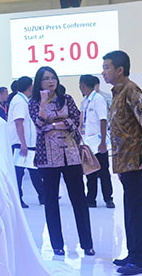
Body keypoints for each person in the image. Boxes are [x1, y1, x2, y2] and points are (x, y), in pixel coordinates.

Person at [102, 50, 142, 276]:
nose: (103, 72)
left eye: (106, 67)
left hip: (136, 161)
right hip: (125, 162)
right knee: (130, 210)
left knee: (137, 211)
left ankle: (140, 259)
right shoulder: (118, 93)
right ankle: (133, 253)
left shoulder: (131, 91)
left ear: (120, 70)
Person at [29, 66, 94, 257]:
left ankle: (87, 243)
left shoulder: (66, 99)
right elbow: (39, 125)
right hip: (47, 157)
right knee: (51, 200)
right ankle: (57, 244)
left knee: (79, 199)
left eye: (53, 78)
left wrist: (55, 124)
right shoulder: (34, 102)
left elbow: (75, 120)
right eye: (46, 78)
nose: (51, 81)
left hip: (71, 154)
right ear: (39, 82)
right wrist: (43, 103)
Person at [7, 76, 45, 208]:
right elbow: (19, 122)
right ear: (30, 87)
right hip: (20, 143)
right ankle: (18, 198)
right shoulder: (19, 102)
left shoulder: (23, 100)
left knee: (34, 170)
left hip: (27, 143)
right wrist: (23, 143)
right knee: (19, 173)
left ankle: (43, 196)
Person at [79, 74, 114, 208]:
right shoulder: (86, 101)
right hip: (87, 142)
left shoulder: (98, 99)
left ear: (83, 85)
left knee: (103, 171)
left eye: (80, 85)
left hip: (98, 141)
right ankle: (91, 199)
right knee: (90, 171)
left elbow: (103, 120)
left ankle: (108, 198)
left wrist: (103, 142)